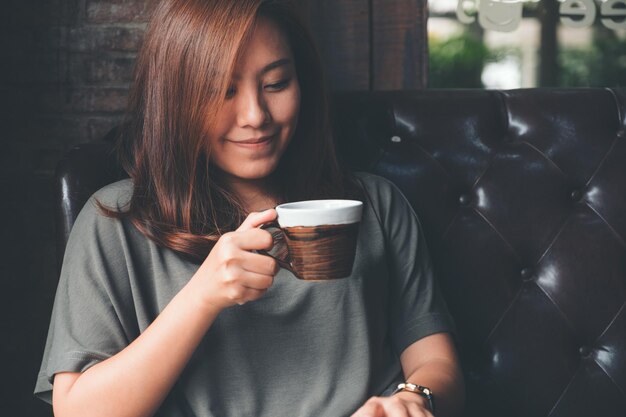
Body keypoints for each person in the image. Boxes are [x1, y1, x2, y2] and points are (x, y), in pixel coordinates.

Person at [35, 0, 464, 416]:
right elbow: (77, 411)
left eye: (276, 84)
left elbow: (438, 365)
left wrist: (414, 399)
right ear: (175, 98)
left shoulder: (377, 205)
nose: (255, 115)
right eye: (222, 90)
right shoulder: (114, 222)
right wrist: (201, 297)